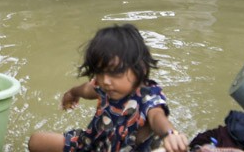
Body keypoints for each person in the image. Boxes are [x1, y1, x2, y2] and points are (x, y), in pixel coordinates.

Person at [28, 24, 189, 152]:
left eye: (115, 73)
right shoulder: (104, 87)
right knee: (36, 141)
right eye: (100, 72)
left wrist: (171, 135)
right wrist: (71, 93)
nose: (106, 81)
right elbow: (86, 89)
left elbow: (157, 118)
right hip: (92, 144)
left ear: (141, 68)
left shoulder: (146, 96)